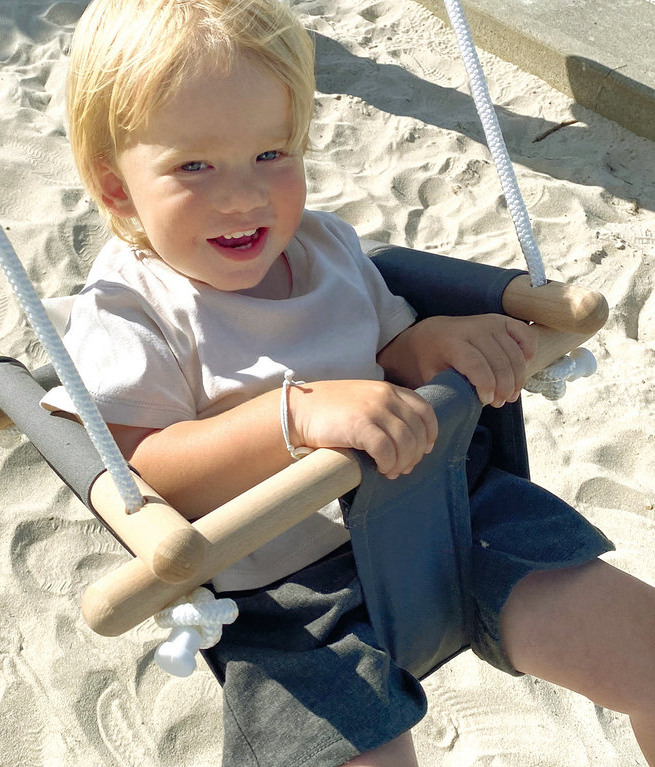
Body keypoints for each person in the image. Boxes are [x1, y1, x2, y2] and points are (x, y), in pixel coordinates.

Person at [41, 0, 655, 764]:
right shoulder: (127, 308)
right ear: (116, 188)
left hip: (444, 510)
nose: (244, 195)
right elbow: (146, 470)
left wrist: (433, 342)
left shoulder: (325, 244)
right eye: (195, 165)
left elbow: (388, 348)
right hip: (288, 593)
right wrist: (297, 416)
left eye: (272, 152)